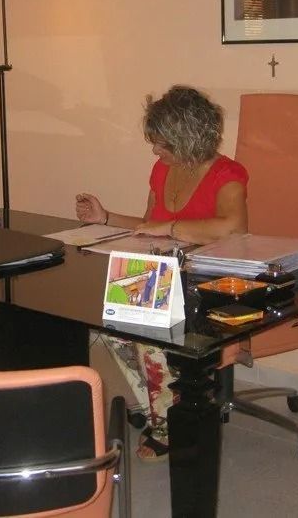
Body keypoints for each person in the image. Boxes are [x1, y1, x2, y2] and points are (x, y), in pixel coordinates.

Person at [75, 85, 248, 460]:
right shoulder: (161, 170)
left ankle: (171, 423)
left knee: (144, 326)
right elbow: (148, 225)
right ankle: (160, 404)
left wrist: (170, 229)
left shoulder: (227, 173)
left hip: (206, 280)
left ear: (185, 140)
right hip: (162, 273)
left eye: (161, 144)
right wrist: (105, 218)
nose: (155, 151)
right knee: (100, 320)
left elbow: (234, 229)